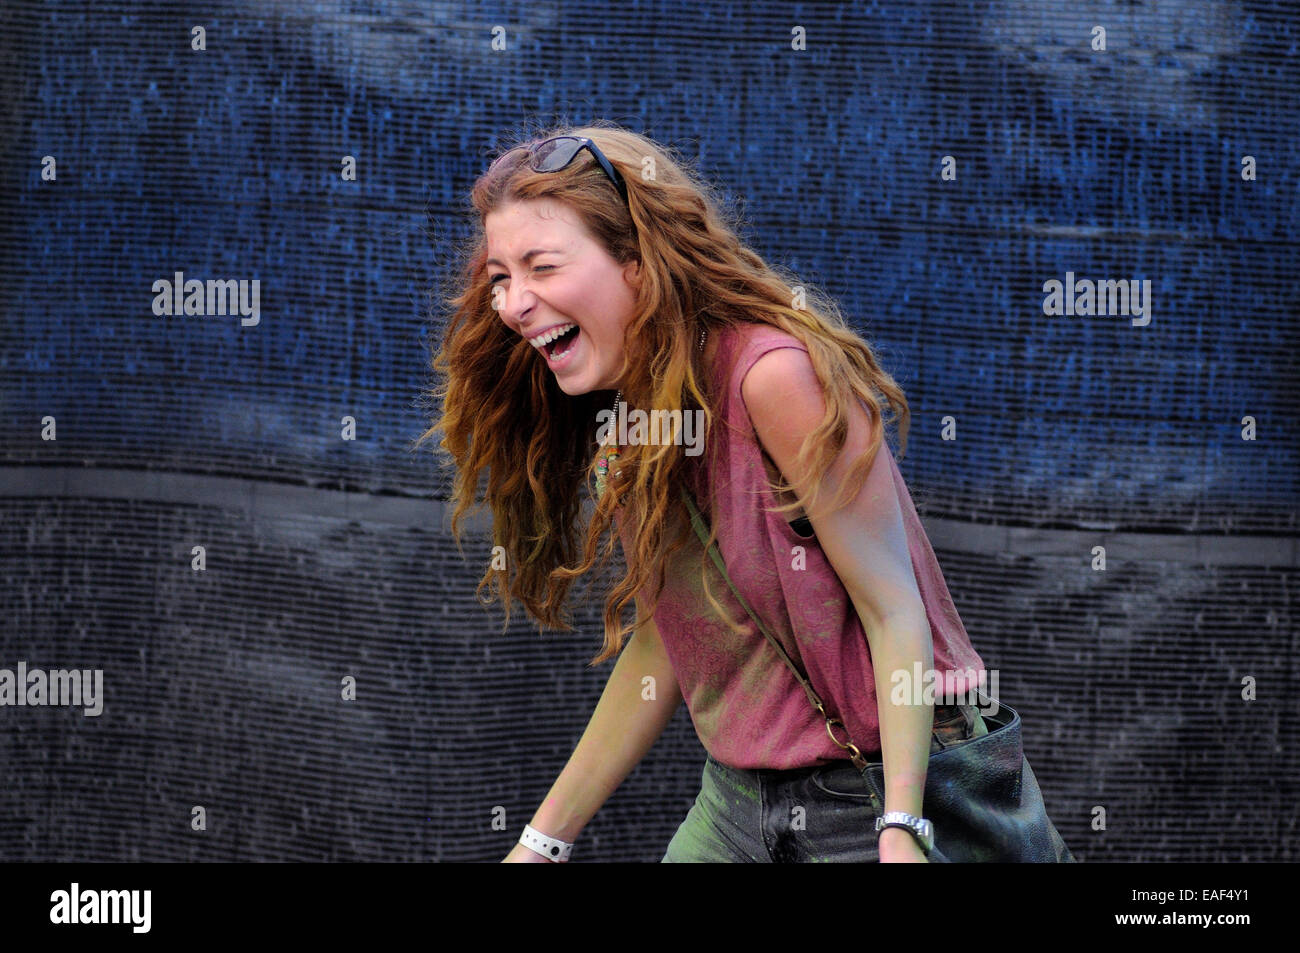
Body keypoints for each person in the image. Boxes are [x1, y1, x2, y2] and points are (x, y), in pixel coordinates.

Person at [422, 122, 998, 863]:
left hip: (878, 795)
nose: (512, 303)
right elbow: (669, 639)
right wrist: (538, 845)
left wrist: (901, 828)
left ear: (636, 259)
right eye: (502, 276)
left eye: (541, 266)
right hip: (737, 805)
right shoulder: (630, 415)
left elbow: (895, 612)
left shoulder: (775, 377)